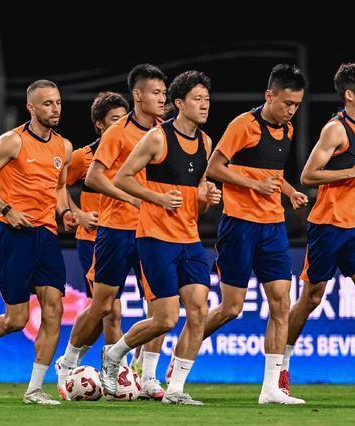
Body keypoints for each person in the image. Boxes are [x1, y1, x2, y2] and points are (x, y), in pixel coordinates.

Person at [0, 79, 77, 405]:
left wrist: (65, 212)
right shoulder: (13, 141)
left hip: (46, 236)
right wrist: (6, 209)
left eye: (58, 102)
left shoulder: (64, 147)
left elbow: (59, 187)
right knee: (16, 320)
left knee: (54, 309)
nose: (55, 109)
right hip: (14, 236)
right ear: (31, 107)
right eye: (47, 103)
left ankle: (34, 390)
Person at [102, 70, 221, 405]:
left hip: (190, 238)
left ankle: (176, 389)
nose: (204, 105)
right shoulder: (157, 138)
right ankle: (115, 354)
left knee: (198, 312)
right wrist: (157, 198)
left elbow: (195, 195)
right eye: (197, 99)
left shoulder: (205, 142)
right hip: (155, 237)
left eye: (207, 99)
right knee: (165, 319)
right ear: (179, 103)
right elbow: (123, 178)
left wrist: (206, 197)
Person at [54, 65, 168, 401]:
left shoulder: (165, 133)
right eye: (156, 93)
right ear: (139, 94)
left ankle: (147, 376)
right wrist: (75, 212)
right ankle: (68, 361)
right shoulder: (117, 133)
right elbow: (91, 178)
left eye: (164, 93)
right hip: (116, 229)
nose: (162, 99)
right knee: (104, 306)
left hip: (154, 230)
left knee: (159, 306)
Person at [202, 64, 308, 404]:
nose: (291, 110)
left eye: (296, 105)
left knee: (281, 302)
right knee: (231, 308)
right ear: (269, 96)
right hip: (239, 225)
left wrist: (289, 192)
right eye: (287, 103)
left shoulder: (287, 129)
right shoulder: (243, 125)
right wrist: (254, 185)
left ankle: (271, 388)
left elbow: (272, 174)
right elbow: (214, 168)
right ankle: (182, 354)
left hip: (273, 226)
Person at [285, 63, 355, 397]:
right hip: (327, 225)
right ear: (349, 95)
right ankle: (280, 366)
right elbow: (308, 175)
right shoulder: (335, 129)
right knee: (311, 298)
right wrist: (353, 173)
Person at [65, 91, 129, 363]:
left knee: (109, 310)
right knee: (110, 311)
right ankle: (117, 370)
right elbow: (55, 185)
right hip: (94, 240)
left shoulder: (134, 153)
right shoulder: (84, 157)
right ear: (99, 124)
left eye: (125, 118)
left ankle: (73, 363)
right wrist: (75, 213)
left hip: (129, 236)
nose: (122, 124)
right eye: (115, 119)